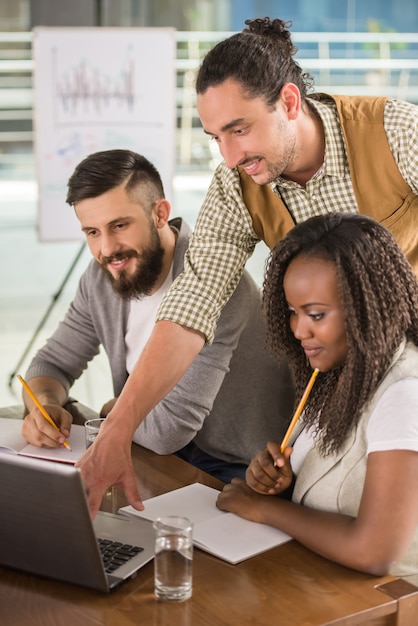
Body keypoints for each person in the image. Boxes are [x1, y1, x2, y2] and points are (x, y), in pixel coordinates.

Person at [74, 17, 418, 516]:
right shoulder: (235, 188)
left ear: (290, 102)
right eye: (216, 137)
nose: (230, 156)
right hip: (333, 381)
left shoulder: (396, 132)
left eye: (240, 129)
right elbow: (192, 304)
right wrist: (117, 430)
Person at [21, 149, 294, 485]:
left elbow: (168, 431)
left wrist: (112, 411)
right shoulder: (101, 278)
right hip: (152, 450)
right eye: (92, 232)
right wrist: (44, 405)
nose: (106, 249)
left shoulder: (217, 283)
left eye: (119, 226)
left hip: (238, 468)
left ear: (161, 213)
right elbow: (51, 365)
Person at [216, 213, 418, 584]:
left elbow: (375, 551)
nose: (297, 330)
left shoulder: (405, 393)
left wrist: (263, 509)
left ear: (369, 306)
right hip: (313, 582)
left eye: (316, 314)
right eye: (292, 312)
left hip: (381, 606)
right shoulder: (335, 371)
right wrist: (282, 485)